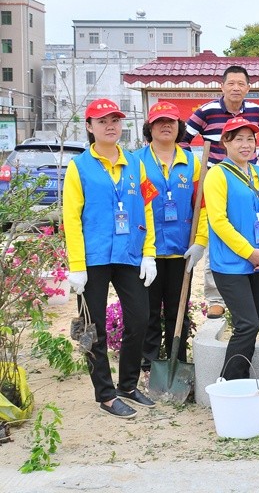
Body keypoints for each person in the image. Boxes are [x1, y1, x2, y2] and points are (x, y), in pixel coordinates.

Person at [62, 98, 158, 418]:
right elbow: (71, 218)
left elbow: (147, 209)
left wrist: (149, 253)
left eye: (115, 120)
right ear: (89, 127)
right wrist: (77, 266)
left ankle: (127, 385)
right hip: (94, 258)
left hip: (128, 254)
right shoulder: (79, 167)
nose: (110, 126)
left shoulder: (135, 164)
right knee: (94, 328)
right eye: (102, 121)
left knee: (140, 318)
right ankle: (105, 394)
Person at [179, 65, 259, 319]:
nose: (235, 88)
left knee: (249, 226)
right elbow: (184, 137)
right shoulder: (207, 111)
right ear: (221, 86)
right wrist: (197, 166)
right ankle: (215, 297)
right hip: (217, 178)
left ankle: (248, 291)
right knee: (217, 232)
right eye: (230, 83)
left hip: (246, 178)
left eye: (241, 84)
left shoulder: (256, 111)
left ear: (248, 88)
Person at [203, 117, 259, 380]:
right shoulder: (217, 174)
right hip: (231, 264)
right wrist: (250, 253)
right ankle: (228, 381)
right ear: (225, 142)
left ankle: (241, 378)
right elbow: (219, 221)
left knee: (253, 325)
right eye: (239, 139)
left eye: (250, 139)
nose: (246, 145)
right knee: (246, 324)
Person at [136, 102, 207, 377]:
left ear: (179, 127)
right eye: (159, 121)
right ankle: (149, 367)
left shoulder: (192, 163)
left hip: (181, 250)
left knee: (178, 313)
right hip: (147, 252)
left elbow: (202, 205)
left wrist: (200, 241)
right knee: (149, 313)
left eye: (171, 121)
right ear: (149, 127)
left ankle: (177, 364)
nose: (165, 126)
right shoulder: (136, 161)